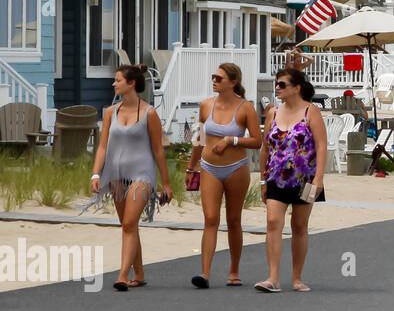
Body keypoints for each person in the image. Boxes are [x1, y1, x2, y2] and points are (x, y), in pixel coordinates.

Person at [88, 65, 174, 292]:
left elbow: (158, 150)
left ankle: (123, 275)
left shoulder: (149, 113)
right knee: (129, 226)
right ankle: (140, 273)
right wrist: (96, 173)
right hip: (116, 175)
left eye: (118, 80)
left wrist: (165, 182)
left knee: (128, 224)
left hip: (142, 174)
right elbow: (103, 146)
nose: (114, 84)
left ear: (131, 83)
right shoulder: (110, 112)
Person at [186, 62, 262, 289]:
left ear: (233, 82)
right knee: (210, 219)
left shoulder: (245, 108)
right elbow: (199, 139)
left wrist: (231, 140)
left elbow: (257, 141)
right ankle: (205, 273)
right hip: (209, 167)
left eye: (219, 78)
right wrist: (192, 167)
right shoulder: (205, 106)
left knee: (233, 220)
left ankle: (234, 270)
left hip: (236, 168)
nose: (214, 81)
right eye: (213, 77)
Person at [255, 68, 328, 293]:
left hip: (305, 178)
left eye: (282, 84)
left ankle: (297, 278)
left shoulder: (311, 111)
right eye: (277, 84)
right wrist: (262, 180)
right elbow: (265, 147)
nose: (278, 88)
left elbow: (321, 145)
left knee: (299, 226)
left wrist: (318, 178)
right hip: (276, 177)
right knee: (273, 222)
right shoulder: (272, 113)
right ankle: (273, 277)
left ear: (296, 88)